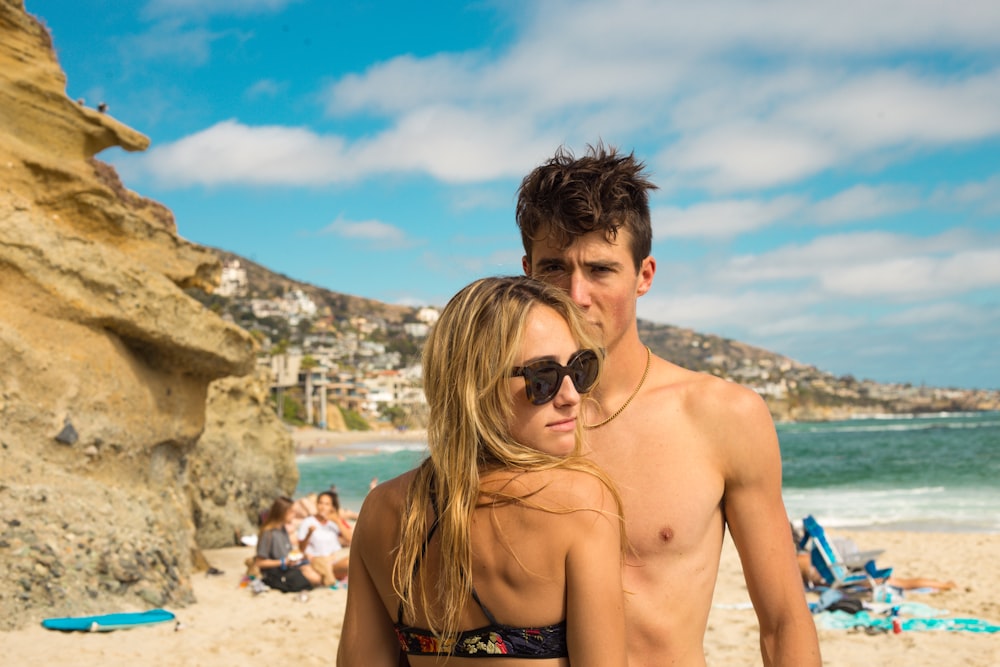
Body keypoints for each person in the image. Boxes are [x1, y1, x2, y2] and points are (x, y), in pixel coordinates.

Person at [515, 144, 821, 666]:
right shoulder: (505, 417)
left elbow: (784, 621)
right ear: (525, 272)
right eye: (554, 269)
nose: (576, 294)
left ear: (644, 276)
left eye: (601, 270)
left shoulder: (722, 416)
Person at [337, 276, 627, 666]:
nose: (572, 395)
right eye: (542, 378)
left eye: (580, 368)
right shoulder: (578, 504)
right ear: (476, 384)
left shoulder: (380, 509)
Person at [256, 495, 322, 592]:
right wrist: (283, 562)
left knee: (316, 576)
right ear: (282, 513)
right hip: (276, 571)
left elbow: (289, 553)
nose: (295, 514)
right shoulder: (268, 533)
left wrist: (300, 556)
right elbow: (259, 562)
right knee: (312, 580)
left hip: (288, 566)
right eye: (291, 512)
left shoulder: (283, 529)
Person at [298, 490, 352, 585]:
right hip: (318, 561)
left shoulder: (333, 523)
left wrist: (338, 522)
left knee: (351, 561)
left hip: (334, 561)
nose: (323, 507)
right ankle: (332, 577)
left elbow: (350, 540)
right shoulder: (308, 521)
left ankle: (330, 576)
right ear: (316, 504)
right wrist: (309, 534)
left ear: (332, 507)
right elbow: (301, 549)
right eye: (320, 503)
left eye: (327, 504)